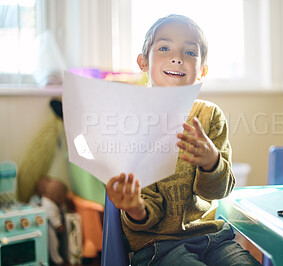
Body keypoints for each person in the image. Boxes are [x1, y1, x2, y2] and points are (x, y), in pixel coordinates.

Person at [106, 14, 261, 265]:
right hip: (158, 246)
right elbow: (147, 211)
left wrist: (212, 162)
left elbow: (219, 190)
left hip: (214, 238)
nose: (177, 57)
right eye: (164, 47)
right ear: (143, 61)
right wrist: (134, 207)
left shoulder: (209, 116)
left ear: (202, 70)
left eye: (190, 52)